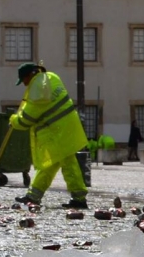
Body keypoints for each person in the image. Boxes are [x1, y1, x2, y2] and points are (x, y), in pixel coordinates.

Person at [9, 62, 88, 208]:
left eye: (24, 80)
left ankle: (79, 198)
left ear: (30, 75)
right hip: (67, 126)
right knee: (50, 163)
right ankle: (34, 196)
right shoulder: (51, 77)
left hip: (56, 131)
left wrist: (14, 120)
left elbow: (26, 120)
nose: (24, 84)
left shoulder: (37, 89)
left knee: (68, 164)